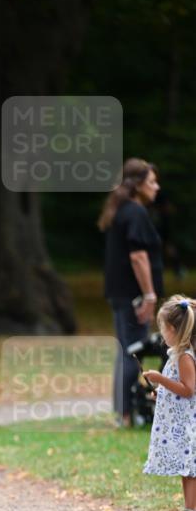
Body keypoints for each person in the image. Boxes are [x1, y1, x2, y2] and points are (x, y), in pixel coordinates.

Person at [98, 158, 163, 427]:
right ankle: (126, 416)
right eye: (151, 182)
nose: (156, 187)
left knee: (124, 350)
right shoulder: (135, 213)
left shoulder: (120, 211)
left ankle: (122, 412)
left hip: (119, 294)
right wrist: (148, 295)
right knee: (133, 352)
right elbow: (138, 257)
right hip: (133, 297)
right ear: (137, 185)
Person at [143, 295, 196, 511]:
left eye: (162, 328)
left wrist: (160, 380)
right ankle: (189, 508)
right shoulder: (177, 354)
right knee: (187, 466)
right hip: (181, 421)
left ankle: (190, 510)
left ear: (174, 329)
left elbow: (188, 389)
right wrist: (160, 394)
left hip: (187, 423)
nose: (161, 333)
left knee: (190, 466)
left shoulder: (185, 356)